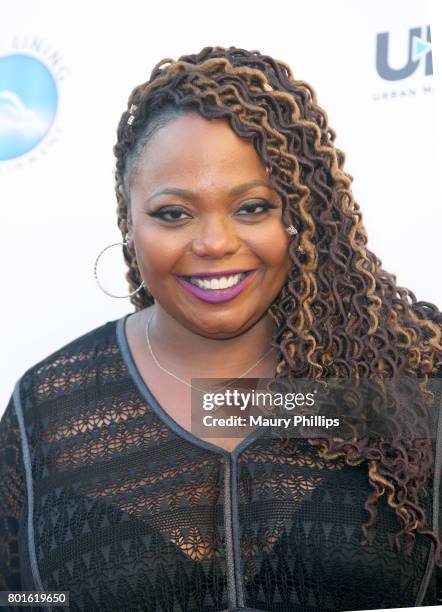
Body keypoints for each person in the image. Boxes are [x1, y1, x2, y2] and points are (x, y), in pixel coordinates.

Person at [1, 45, 442, 612]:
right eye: (174, 214)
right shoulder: (46, 407)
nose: (214, 243)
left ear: (304, 217)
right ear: (128, 224)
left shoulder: (406, 384)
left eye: (253, 207)